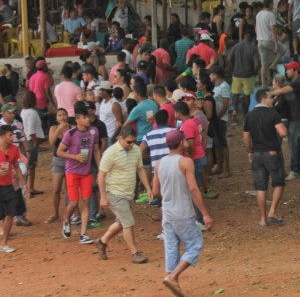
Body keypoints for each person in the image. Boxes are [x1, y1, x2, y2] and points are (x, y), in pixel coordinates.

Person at [153, 129, 214, 297]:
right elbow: (194, 188)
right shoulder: (186, 162)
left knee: (171, 247)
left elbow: (155, 190)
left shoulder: (159, 163)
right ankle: (173, 277)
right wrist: (205, 213)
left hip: (167, 212)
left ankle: (173, 286)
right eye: (184, 140)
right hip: (182, 212)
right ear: (180, 143)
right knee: (195, 245)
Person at [97, 126, 153, 264]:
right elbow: (101, 175)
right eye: (128, 142)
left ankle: (102, 241)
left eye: (133, 141)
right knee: (128, 222)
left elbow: (140, 169)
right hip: (114, 193)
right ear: (120, 138)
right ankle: (135, 253)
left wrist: (148, 188)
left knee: (122, 222)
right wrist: (103, 196)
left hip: (128, 193)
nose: (131, 144)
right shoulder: (110, 153)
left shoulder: (135, 151)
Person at [242, 89, 288, 227]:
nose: (272, 100)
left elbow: (245, 138)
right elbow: (283, 132)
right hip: (272, 153)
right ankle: (272, 211)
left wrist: (250, 151)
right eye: (270, 97)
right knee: (279, 183)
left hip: (257, 154)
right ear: (263, 99)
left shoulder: (249, 116)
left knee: (260, 187)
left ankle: (262, 219)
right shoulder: (273, 113)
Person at [57, 106, 101, 245]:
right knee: (74, 202)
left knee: (86, 202)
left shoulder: (94, 131)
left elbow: (96, 150)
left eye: (88, 117)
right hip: (72, 171)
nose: (88, 119)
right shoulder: (70, 133)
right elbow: (59, 152)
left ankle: (83, 234)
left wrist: (100, 169)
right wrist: (75, 157)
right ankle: (66, 220)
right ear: (77, 120)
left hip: (86, 173)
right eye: (84, 118)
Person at [0, 125, 27, 253]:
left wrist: (24, 184)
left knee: (11, 213)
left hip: (8, 185)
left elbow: (16, 167)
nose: (12, 137)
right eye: (10, 135)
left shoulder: (14, 149)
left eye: (13, 134)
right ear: (2, 136)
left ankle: (4, 243)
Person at [270, 61, 300, 180]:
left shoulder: (297, 83)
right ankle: (298, 168)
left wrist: (271, 94)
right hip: (295, 117)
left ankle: (295, 170)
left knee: (292, 143)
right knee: (295, 143)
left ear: (295, 71)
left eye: (289, 69)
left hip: (296, 118)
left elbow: (281, 91)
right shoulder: (295, 83)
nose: (286, 71)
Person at [45, 108, 70, 224]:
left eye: (64, 114)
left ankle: (71, 213)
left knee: (70, 188)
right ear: (56, 118)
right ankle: (55, 213)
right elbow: (51, 142)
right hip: (58, 161)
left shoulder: (72, 128)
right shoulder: (53, 128)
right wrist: (59, 129)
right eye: (60, 115)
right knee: (56, 189)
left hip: (70, 161)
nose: (62, 117)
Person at [228, 31, 259, 117]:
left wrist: (231, 69)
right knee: (247, 95)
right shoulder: (253, 48)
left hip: (236, 73)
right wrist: (255, 72)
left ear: (244, 36)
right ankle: (245, 113)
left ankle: (235, 110)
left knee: (235, 93)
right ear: (253, 38)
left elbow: (229, 58)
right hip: (248, 74)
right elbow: (256, 64)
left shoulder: (237, 46)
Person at [21, 91, 45, 197]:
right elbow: (31, 131)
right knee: (30, 165)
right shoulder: (32, 112)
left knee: (29, 165)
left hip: (26, 140)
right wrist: (35, 142)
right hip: (31, 140)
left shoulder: (23, 111)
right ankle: (28, 189)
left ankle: (29, 188)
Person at [209, 66, 231, 178]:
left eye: (211, 74)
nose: (210, 76)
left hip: (220, 119)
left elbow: (226, 104)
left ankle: (226, 168)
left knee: (222, 143)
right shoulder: (215, 86)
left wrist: (218, 116)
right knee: (217, 143)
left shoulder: (224, 86)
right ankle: (219, 165)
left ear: (215, 75)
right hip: (216, 118)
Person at [255, 0, 278, 88]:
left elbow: (256, 28)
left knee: (264, 64)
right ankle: (273, 65)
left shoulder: (258, 14)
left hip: (260, 41)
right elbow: (273, 29)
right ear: (270, 4)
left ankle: (264, 83)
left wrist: (258, 37)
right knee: (282, 50)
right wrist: (276, 43)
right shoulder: (270, 15)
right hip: (268, 41)